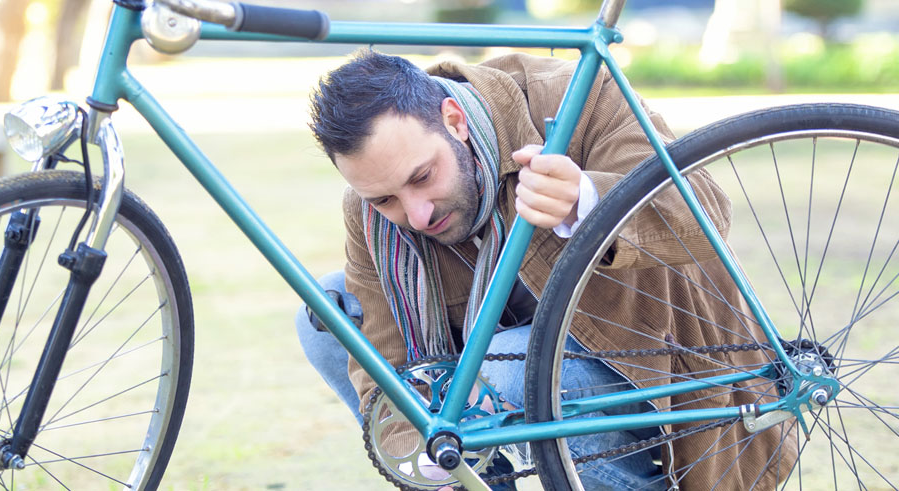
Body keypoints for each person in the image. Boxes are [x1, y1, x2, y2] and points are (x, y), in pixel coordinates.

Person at [296, 49, 793, 490]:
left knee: (505, 367)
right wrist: (424, 459)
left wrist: (587, 201)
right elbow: (385, 357)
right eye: (385, 198)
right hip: (519, 367)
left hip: (660, 374)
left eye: (423, 177)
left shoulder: (575, 96)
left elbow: (705, 212)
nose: (418, 213)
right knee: (326, 318)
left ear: (454, 120)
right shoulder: (368, 214)